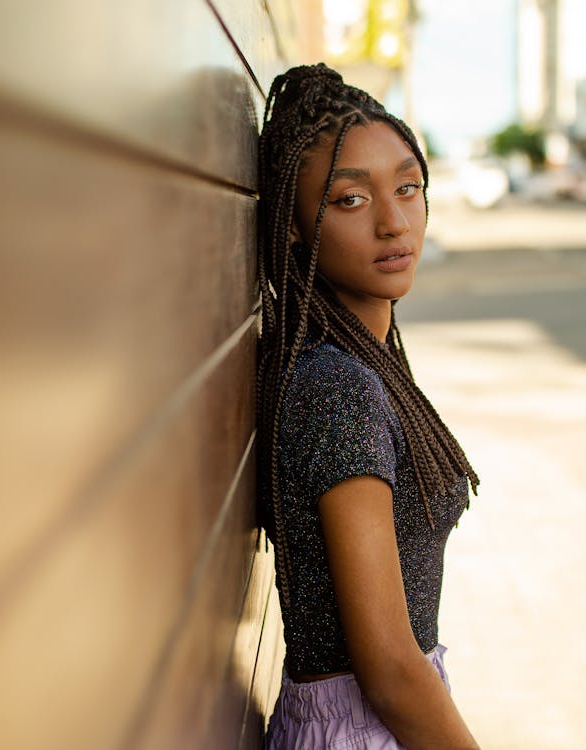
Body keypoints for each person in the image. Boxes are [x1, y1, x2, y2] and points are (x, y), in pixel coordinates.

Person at [256, 62, 481, 750]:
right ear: (293, 226)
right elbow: (387, 670)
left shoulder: (361, 366)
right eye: (350, 201)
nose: (394, 222)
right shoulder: (337, 389)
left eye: (408, 188)